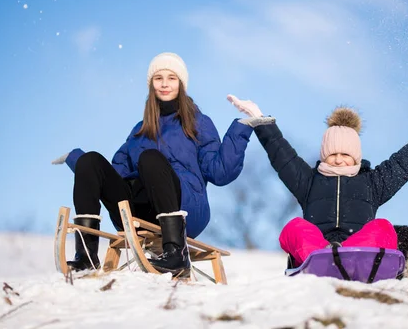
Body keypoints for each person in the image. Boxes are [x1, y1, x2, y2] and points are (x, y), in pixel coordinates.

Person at [51, 53, 272, 276]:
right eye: (158, 78)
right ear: (151, 84)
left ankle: (175, 253)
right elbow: (115, 174)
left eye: (171, 78)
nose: (164, 84)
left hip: (184, 209)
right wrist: (78, 161)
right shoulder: (140, 130)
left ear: (181, 84)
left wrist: (243, 127)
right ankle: (87, 255)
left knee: (150, 159)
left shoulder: (198, 123)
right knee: (91, 160)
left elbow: (220, 172)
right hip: (138, 211)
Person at [227, 94, 408, 267]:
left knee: (384, 229)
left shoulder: (372, 183)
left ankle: (349, 257)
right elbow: (282, 155)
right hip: (318, 249)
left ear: (355, 156)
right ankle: (323, 257)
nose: (337, 160)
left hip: (360, 252)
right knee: (294, 227)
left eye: (344, 155)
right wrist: (259, 118)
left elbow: (405, 161)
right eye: (332, 154)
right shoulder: (309, 181)